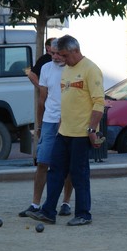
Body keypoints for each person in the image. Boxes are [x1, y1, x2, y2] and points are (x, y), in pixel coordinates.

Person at [27, 35, 105, 226]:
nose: (61, 59)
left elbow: (98, 103)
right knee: (55, 171)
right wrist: (61, 124)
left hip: (81, 133)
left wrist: (91, 129)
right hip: (64, 131)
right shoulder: (67, 71)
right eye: (59, 55)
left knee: (79, 173)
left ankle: (83, 214)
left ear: (75, 50)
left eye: (64, 55)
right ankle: (48, 211)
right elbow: (67, 101)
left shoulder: (91, 69)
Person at [18, 39, 74, 218]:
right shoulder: (46, 68)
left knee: (68, 164)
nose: (55, 57)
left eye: (59, 53)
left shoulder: (73, 69)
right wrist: (40, 125)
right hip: (49, 121)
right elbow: (43, 98)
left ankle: (65, 202)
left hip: (68, 121)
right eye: (53, 53)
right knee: (42, 162)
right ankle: (35, 204)